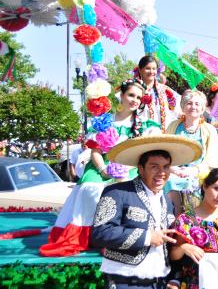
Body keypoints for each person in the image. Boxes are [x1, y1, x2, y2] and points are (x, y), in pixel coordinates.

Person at [90, 135, 204, 289]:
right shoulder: (117, 192)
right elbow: (99, 233)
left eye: (165, 167)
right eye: (154, 166)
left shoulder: (167, 202)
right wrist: (145, 237)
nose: (161, 173)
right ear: (140, 168)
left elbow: (172, 243)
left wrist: (173, 280)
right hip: (125, 285)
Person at [40, 81, 160, 257]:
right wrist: (104, 169)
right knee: (91, 189)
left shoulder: (145, 125)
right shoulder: (105, 121)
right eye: (131, 95)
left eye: (139, 97)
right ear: (122, 96)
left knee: (124, 193)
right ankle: (86, 236)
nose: (135, 100)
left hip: (131, 168)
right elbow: (95, 151)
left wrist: (124, 169)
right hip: (100, 165)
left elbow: (143, 153)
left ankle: (116, 238)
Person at [165, 89, 218, 215]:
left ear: (202, 108)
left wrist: (194, 170)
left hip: (198, 173)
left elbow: (213, 159)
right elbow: (165, 151)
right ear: (183, 107)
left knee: (191, 182)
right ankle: (175, 216)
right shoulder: (173, 126)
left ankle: (191, 219)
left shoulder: (209, 130)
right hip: (174, 170)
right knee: (169, 181)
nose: (193, 107)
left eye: (197, 104)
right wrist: (174, 169)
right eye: (189, 103)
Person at [135, 55, 181, 131]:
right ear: (140, 70)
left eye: (154, 69)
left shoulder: (165, 90)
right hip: (141, 135)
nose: (151, 71)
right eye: (147, 68)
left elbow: (177, 109)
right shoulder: (133, 90)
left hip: (164, 135)